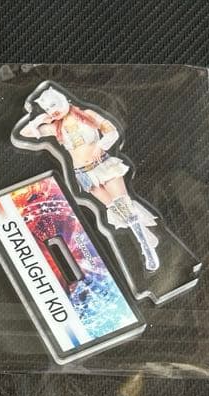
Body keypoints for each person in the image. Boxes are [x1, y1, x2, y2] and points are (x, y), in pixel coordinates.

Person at [17, 86, 160, 272]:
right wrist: (39, 119)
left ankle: (146, 248)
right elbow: (24, 133)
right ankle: (147, 236)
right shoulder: (55, 127)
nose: (53, 110)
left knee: (123, 205)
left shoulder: (87, 114)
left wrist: (101, 146)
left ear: (62, 99)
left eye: (54, 105)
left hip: (104, 166)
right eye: (48, 108)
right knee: (114, 209)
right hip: (84, 174)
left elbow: (112, 131)